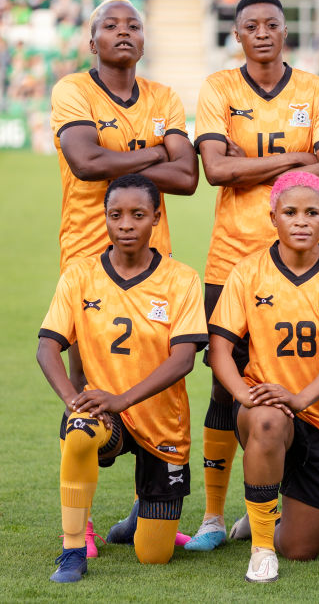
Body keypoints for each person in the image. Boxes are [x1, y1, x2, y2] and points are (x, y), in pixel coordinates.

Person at [187, 0, 319, 551]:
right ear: (237, 34)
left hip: (302, 261)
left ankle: (284, 513)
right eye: (250, 25)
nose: (262, 32)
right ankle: (212, 515)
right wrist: (293, 160)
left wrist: (247, 164)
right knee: (224, 385)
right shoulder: (219, 88)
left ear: (286, 31)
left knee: (299, 381)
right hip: (233, 259)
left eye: (272, 24)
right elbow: (214, 169)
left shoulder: (316, 90)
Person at [48, 0, 199, 553]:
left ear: (144, 38)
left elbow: (187, 179)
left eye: (133, 24)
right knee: (89, 398)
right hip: (88, 260)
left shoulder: (163, 97)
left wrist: (139, 155)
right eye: (110, 25)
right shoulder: (73, 90)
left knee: (156, 388)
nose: (123, 32)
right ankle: (79, 525)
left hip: (154, 267)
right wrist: (158, 152)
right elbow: (84, 163)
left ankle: (147, 505)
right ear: (92, 42)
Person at [38, 174, 207, 582]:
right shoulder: (79, 276)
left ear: (156, 218)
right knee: (78, 430)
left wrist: (123, 398)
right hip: (104, 415)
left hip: (162, 423)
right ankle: (73, 548)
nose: (126, 224)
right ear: (105, 219)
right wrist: (72, 400)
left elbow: (184, 358)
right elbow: (47, 347)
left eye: (137, 215)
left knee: (153, 555)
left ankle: (139, 519)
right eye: (116, 215)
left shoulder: (181, 279)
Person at [207, 172, 319, 582]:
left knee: (301, 550)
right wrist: (245, 395)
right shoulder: (247, 271)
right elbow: (220, 349)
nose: (301, 221)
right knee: (267, 419)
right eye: (290, 212)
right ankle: (261, 548)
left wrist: (299, 399)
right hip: (267, 414)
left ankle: (264, 522)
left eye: (312, 212)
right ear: (272, 216)